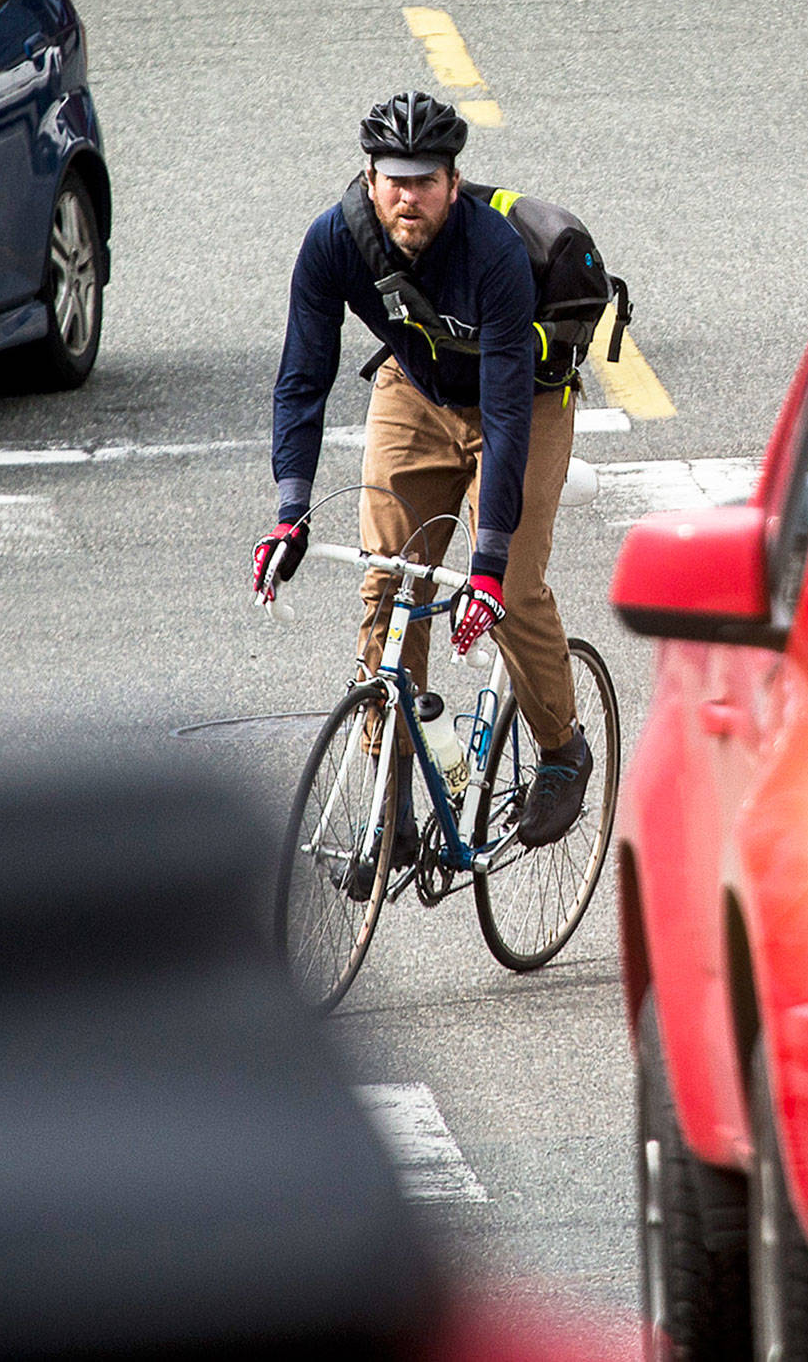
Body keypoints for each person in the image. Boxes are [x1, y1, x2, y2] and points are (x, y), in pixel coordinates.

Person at [250, 90, 592, 864]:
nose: (410, 196)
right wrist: (290, 511)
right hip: (415, 388)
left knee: (511, 589)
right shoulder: (334, 240)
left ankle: (564, 749)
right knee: (385, 581)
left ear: (452, 180)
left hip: (521, 402)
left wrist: (491, 565)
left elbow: (504, 416)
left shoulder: (493, 252)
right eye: (394, 179)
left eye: (427, 180)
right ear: (369, 179)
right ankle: (392, 797)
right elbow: (303, 379)